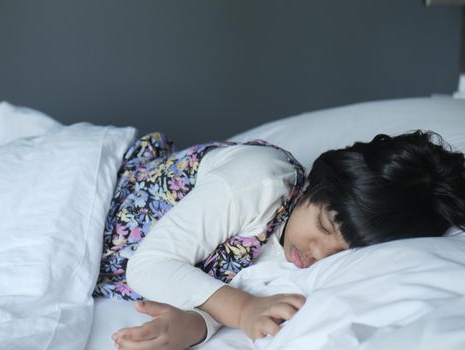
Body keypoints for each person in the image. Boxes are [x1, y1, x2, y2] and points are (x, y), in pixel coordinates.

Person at [94, 130, 465, 350]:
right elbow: (148, 266)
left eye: (341, 252)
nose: (317, 253)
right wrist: (242, 310)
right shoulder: (260, 181)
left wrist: (194, 326)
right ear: (317, 185)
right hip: (105, 204)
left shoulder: (301, 264)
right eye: (323, 226)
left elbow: (227, 286)